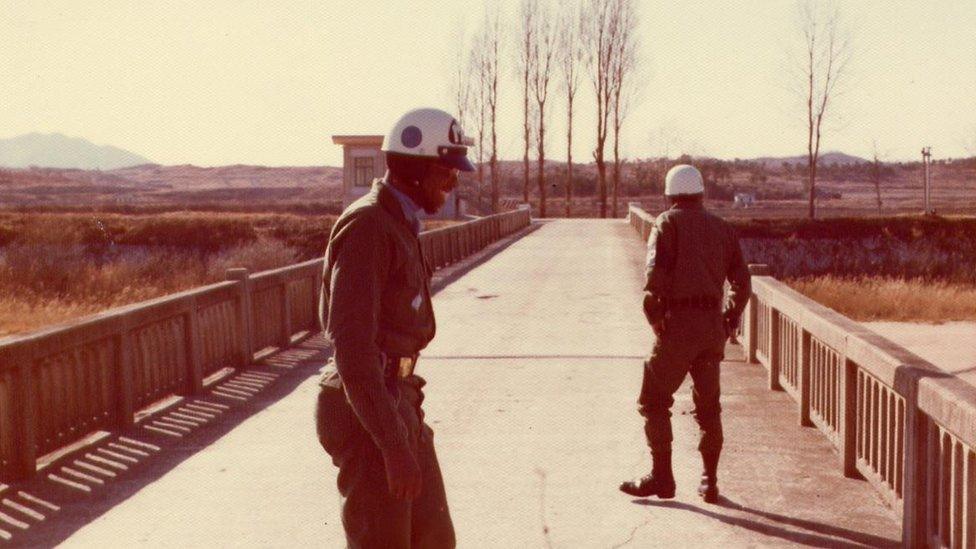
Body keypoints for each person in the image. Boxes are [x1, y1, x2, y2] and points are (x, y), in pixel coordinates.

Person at [316, 107, 474, 548]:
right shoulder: (368, 225)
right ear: (417, 170)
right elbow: (352, 350)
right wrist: (391, 444)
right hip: (366, 409)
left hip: (396, 400)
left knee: (434, 539)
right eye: (447, 172)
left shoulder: (398, 224)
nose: (453, 182)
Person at [619, 164, 751, 504]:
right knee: (709, 407)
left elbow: (653, 284)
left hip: (679, 329)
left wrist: (655, 318)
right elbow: (742, 281)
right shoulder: (722, 228)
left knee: (653, 399)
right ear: (701, 194)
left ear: (669, 195)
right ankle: (709, 482)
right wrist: (729, 317)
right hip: (711, 329)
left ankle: (662, 478)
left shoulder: (667, 223)